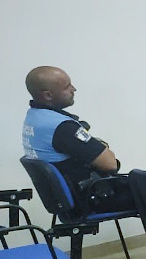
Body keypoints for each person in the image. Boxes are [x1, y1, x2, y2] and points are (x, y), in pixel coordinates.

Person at [22, 66, 135, 214]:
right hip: (90, 199)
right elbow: (110, 164)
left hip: (67, 201)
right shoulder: (62, 127)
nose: (73, 89)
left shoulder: (34, 118)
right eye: (67, 86)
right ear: (48, 95)